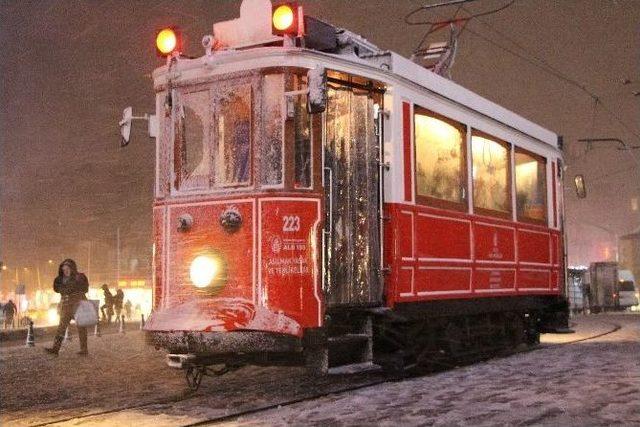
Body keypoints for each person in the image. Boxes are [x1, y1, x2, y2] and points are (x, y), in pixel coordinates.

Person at [45, 259, 89, 356]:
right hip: (66, 305)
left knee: (81, 327)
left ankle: (84, 349)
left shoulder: (80, 277)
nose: (65, 271)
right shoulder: (60, 279)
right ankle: (55, 348)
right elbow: (57, 289)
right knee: (61, 327)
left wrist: (70, 288)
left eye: (67, 268)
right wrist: (66, 288)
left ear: (72, 268)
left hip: (78, 304)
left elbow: (85, 288)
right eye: (64, 269)